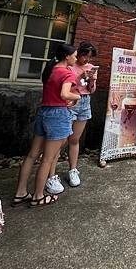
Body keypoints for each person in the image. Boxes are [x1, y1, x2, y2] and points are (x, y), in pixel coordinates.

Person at [11, 44, 80, 207]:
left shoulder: (51, 70)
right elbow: (64, 94)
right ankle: (38, 196)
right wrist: (77, 97)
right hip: (58, 115)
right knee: (48, 159)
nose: (75, 58)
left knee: (32, 155)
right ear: (67, 57)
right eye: (74, 56)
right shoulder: (67, 73)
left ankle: (20, 193)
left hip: (44, 112)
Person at [46, 41, 97, 192]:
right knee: (60, 141)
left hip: (85, 101)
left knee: (74, 139)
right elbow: (66, 86)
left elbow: (91, 90)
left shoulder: (90, 68)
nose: (87, 60)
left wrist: (92, 80)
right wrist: (80, 75)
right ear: (77, 54)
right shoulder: (69, 65)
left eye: (90, 57)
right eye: (84, 56)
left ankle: (73, 170)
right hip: (69, 101)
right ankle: (51, 175)